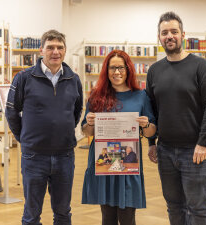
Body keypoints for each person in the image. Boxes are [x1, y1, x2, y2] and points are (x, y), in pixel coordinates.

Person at [146, 12, 206, 225]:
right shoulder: (154, 71)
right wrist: (152, 143)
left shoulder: (201, 67)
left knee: (198, 209)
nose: (169, 36)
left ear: (183, 35)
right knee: (174, 207)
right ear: (159, 38)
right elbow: (152, 110)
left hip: (196, 152)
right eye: (164, 33)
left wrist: (203, 143)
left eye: (174, 32)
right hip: (166, 151)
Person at [5, 29, 83, 225]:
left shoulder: (73, 79)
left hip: (64, 156)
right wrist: (24, 138)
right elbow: (12, 112)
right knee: (31, 215)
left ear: (64, 51)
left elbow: (76, 110)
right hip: (33, 157)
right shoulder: (24, 78)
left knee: (63, 212)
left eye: (60, 47)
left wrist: (62, 131)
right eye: (50, 47)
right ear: (41, 50)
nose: (55, 51)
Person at [81, 50, 156, 225]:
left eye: (121, 67)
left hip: (129, 164)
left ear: (128, 69)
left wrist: (145, 124)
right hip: (104, 163)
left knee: (128, 217)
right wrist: (90, 122)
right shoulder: (96, 96)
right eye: (112, 68)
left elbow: (151, 132)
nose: (117, 72)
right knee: (107, 218)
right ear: (106, 71)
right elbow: (86, 131)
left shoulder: (141, 96)